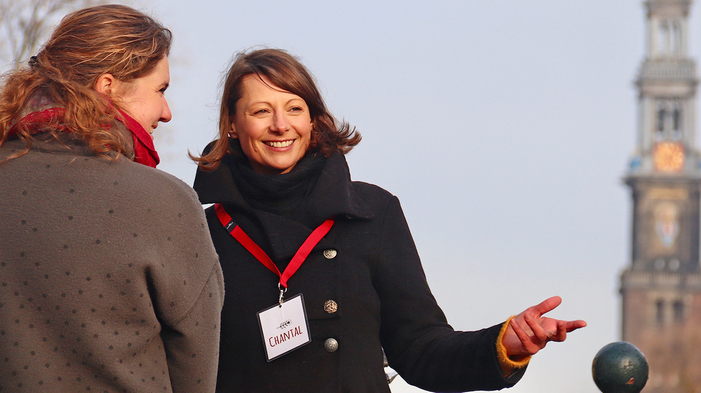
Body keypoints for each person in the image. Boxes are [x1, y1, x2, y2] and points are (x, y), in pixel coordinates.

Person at [192, 48, 586, 393]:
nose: (281, 125)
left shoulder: (371, 213)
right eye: (261, 111)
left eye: (295, 108)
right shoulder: (199, 232)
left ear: (313, 121)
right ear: (232, 123)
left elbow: (420, 348)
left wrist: (505, 345)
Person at [0, 5, 225, 392]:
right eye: (161, 90)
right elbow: (196, 365)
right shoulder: (165, 203)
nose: (166, 112)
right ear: (108, 86)